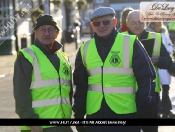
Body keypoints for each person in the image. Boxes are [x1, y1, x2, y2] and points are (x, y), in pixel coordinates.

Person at [73, 7, 157, 132]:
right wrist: (79, 115)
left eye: (106, 22)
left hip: (125, 114)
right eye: (97, 23)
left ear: (115, 22)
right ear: (92, 26)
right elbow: (80, 86)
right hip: (95, 116)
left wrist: (145, 111)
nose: (102, 26)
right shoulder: (84, 49)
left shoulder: (131, 43)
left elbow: (147, 78)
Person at [13, 14, 73, 132]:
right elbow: (21, 94)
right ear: (36, 32)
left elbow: (68, 93)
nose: (46, 33)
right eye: (42, 29)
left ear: (57, 33)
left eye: (50, 30)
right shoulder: (27, 56)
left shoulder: (64, 58)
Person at [124, 10, 173, 132]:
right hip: (127, 96)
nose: (138, 26)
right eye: (134, 23)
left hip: (151, 95)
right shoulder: (120, 39)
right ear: (127, 23)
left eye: (140, 22)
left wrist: (158, 60)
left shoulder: (156, 38)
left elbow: (168, 62)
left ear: (145, 23)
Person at [146, 22, 175, 119]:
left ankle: (166, 110)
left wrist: (169, 50)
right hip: (156, 68)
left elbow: (170, 44)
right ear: (152, 25)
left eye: (160, 25)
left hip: (165, 65)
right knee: (157, 91)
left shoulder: (164, 33)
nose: (159, 27)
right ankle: (160, 109)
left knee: (166, 89)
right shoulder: (148, 34)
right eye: (156, 25)